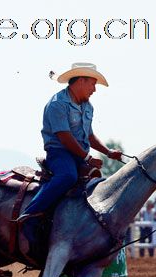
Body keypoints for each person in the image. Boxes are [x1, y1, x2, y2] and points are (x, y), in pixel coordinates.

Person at [16, 63, 122, 243]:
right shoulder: (57, 104)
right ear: (81, 81)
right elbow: (64, 136)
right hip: (59, 153)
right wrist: (87, 157)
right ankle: (28, 217)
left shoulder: (88, 106)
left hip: (79, 155)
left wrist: (108, 152)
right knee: (68, 176)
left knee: (96, 183)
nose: (94, 90)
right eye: (92, 84)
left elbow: (88, 135)